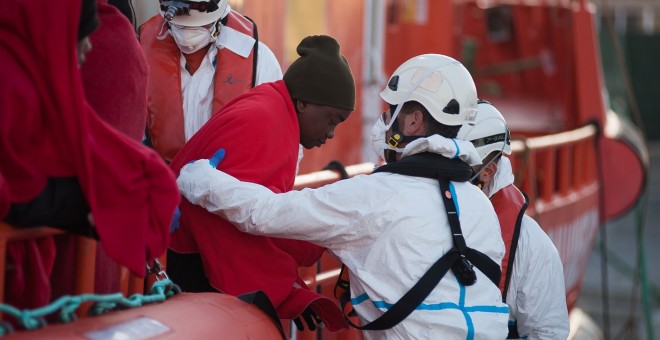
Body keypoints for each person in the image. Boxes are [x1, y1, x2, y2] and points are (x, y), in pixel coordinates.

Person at [175, 54, 510, 339]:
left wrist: (200, 179)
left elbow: (264, 213)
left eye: (390, 111)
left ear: (412, 121)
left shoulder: (373, 196)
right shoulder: (480, 206)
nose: (384, 122)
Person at [167, 35, 356, 332]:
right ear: (304, 102)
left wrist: (313, 242)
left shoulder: (270, 108)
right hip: (184, 266)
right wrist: (286, 290)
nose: (330, 133)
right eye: (331, 120)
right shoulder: (265, 123)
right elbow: (229, 224)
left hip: (184, 256)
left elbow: (257, 210)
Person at [0, 0, 180, 309]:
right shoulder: (13, 84)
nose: (87, 47)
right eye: (79, 34)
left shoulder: (29, 72)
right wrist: (84, 203)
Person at [457, 101, 570, 339]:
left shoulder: (530, 244)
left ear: (487, 172)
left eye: (459, 167)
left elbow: (548, 331)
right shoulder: (417, 213)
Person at [139, 0, 283, 161]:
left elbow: (279, 141)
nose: (187, 35)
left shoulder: (259, 59)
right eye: (181, 27)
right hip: (159, 179)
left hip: (229, 179)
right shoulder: (137, 55)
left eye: (198, 26)